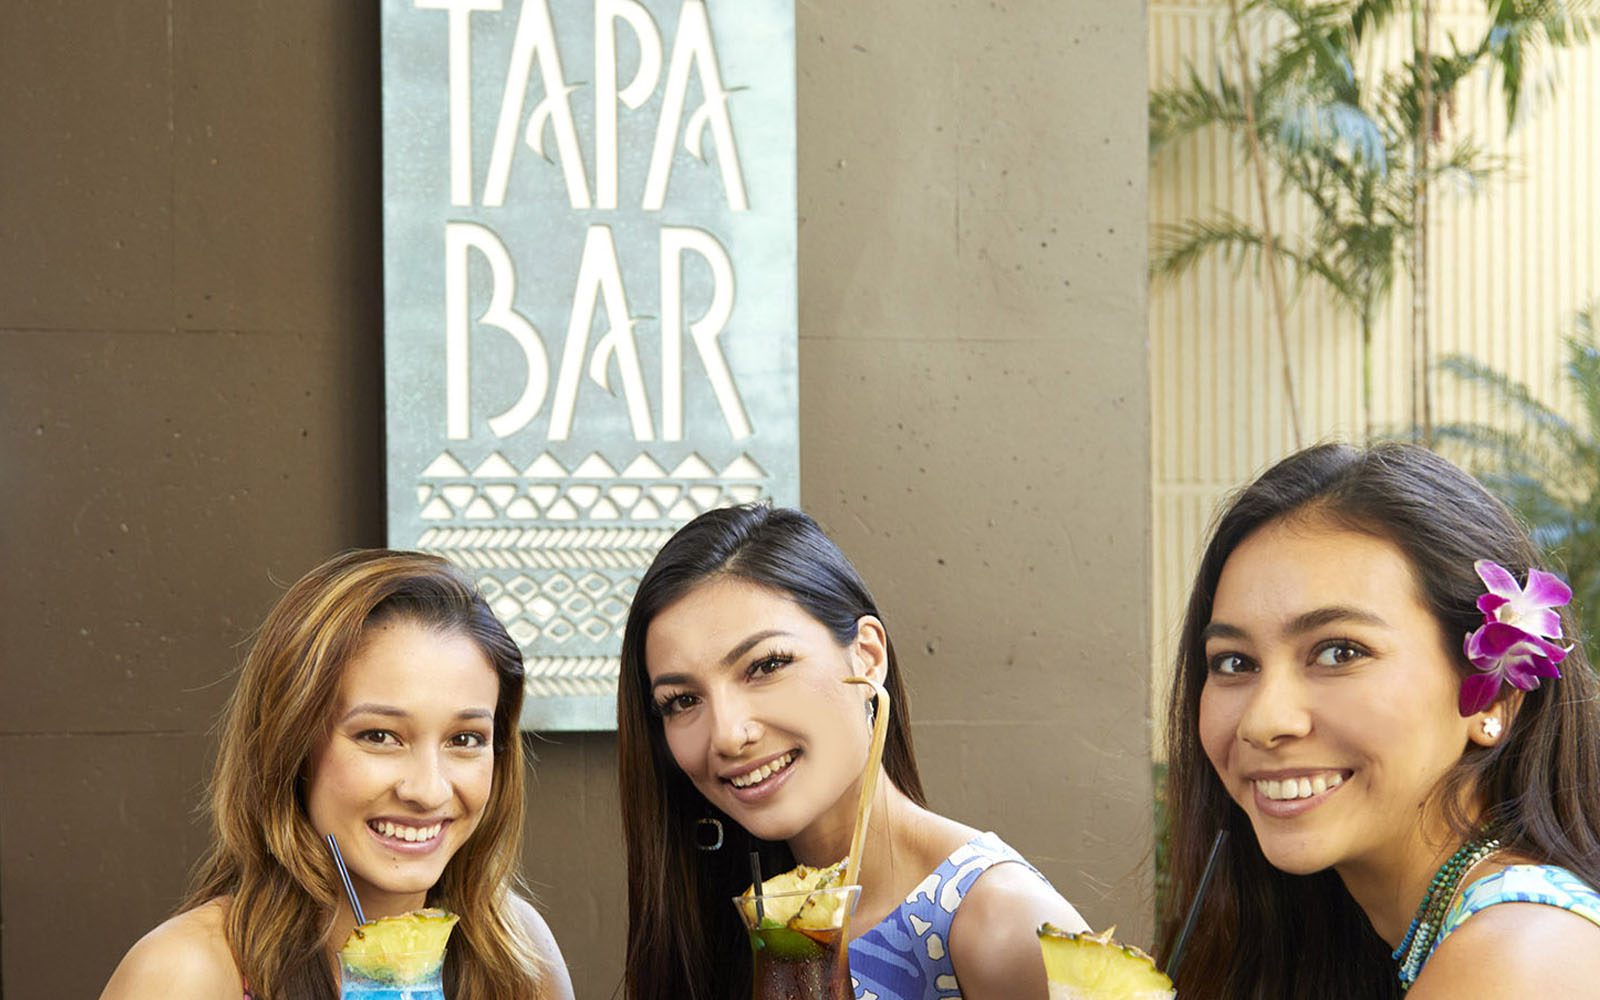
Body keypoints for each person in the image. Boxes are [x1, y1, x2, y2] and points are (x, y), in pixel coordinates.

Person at [1158, 442, 1600, 998]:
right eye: (1234, 662)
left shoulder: (1517, 960)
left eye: (1339, 652)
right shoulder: (1386, 938)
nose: (1263, 721)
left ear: (1494, 698)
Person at [617, 504, 1087, 1000]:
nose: (729, 735)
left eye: (766, 665)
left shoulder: (999, 922)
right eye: (683, 701)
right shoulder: (722, 927)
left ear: (867, 657)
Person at [101, 550, 575, 1000]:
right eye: (379, 735)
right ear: (291, 745)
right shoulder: (184, 974)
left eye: (465, 739)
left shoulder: (515, 951)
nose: (428, 790)